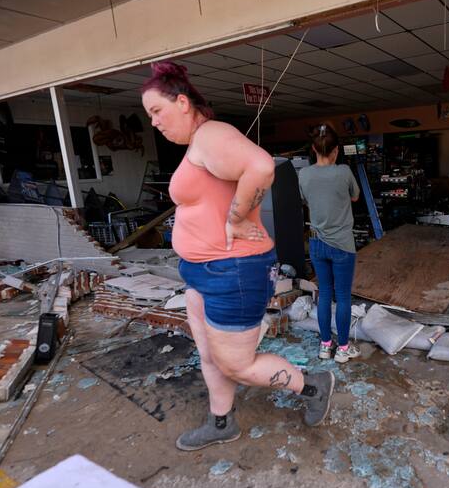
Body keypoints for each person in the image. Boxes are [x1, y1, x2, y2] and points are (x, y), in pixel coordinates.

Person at [141, 62, 334, 451]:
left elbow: (261, 167)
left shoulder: (210, 134)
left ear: (182, 102)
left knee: (236, 364)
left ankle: (313, 385)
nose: (154, 123)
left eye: (157, 112)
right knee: (209, 354)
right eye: (149, 116)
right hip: (201, 270)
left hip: (233, 271)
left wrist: (236, 217)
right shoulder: (198, 145)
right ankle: (221, 423)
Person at [297, 124, 362, 363]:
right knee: (343, 297)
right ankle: (343, 349)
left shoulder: (304, 174)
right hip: (343, 245)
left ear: (314, 149)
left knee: (324, 294)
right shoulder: (344, 172)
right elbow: (355, 196)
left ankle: (325, 346)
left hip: (317, 244)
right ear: (336, 150)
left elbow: (304, 200)